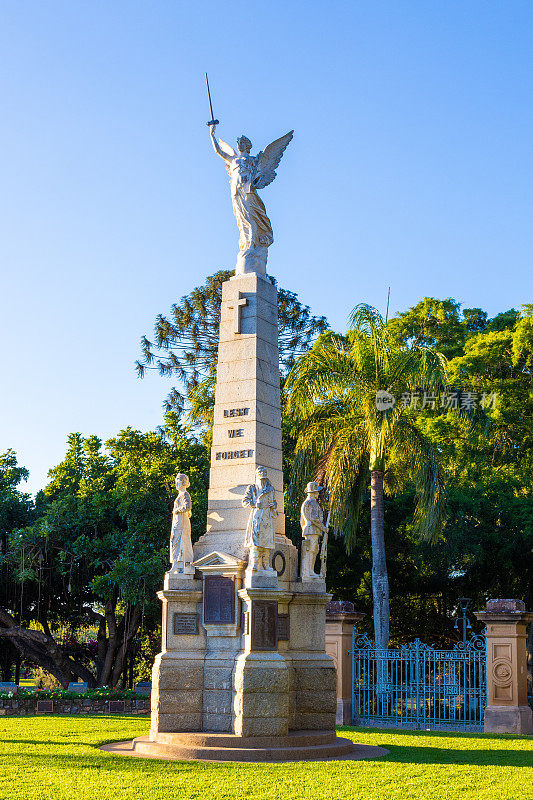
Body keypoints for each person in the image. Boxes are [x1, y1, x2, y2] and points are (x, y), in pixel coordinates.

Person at [242, 466, 277, 571]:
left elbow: (274, 501)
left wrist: (274, 505)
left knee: (267, 541)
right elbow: (245, 502)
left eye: (264, 471)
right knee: (256, 540)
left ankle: (266, 564)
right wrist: (255, 504)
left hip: (267, 516)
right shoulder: (252, 488)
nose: (262, 473)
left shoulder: (271, 489)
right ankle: (254, 564)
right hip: (257, 516)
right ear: (256, 474)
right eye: (260, 471)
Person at [300, 481, 326, 580]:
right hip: (311, 529)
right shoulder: (309, 503)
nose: (318, 494)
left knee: (315, 550)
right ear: (313, 492)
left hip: (314, 530)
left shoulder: (312, 503)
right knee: (311, 550)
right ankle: (309, 571)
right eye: (317, 492)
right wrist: (323, 527)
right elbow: (313, 518)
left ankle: (311, 571)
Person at [170, 473, 194, 574]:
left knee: (180, 542)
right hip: (178, 522)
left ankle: (179, 565)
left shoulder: (185, 494)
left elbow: (188, 507)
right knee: (175, 542)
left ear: (183, 482)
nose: (176, 482)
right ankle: (177, 565)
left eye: (178, 480)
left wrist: (177, 510)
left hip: (181, 523)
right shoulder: (180, 494)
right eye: (176, 480)